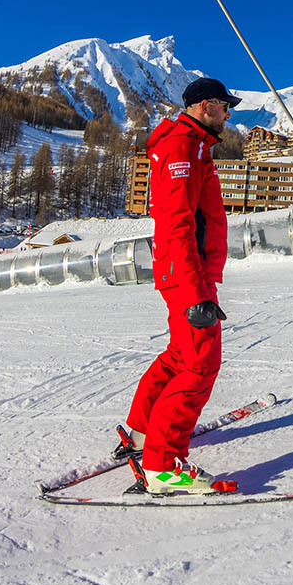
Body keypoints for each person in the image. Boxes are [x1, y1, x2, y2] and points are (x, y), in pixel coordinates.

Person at [116, 78, 239, 495]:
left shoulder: (195, 143)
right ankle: (163, 466)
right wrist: (195, 293)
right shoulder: (183, 146)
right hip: (188, 274)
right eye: (226, 107)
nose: (228, 114)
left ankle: (140, 433)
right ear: (207, 106)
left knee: (179, 354)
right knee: (200, 362)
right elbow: (175, 223)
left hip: (190, 270)